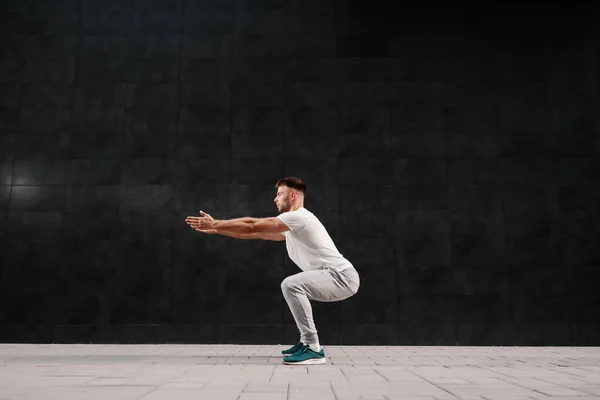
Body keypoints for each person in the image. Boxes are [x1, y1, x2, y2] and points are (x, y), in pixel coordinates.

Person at [185, 177, 360, 365]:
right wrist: (218, 230)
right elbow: (256, 231)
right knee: (292, 285)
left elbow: (253, 225)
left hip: (341, 277)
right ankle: (306, 342)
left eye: (279, 194)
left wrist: (216, 224)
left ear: (292, 196)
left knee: (291, 285)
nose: (275, 199)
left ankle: (313, 348)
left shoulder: (299, 217)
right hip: (338, 276)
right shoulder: (292, 224)